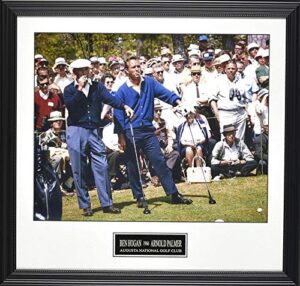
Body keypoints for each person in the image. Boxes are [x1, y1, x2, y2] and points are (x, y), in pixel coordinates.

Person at [114, 56, 193, 208]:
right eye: (133, 67)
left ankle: (173, 194)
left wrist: (179, 102)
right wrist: (121, 136)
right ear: (126, 71)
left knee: (159, 161)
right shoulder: (122, 91)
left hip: (148, 131)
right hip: (131, 131)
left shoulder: (149, 83)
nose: (137, 69)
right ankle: (139, 197)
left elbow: (166, 94)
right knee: (133, 165)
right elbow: (118, 115)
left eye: (138, 66)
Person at [63, 58, 134, 216]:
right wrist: (80, 90)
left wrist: (124, 106)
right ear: (75, 73)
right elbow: (72, 107)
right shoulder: (69, 89)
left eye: (86, 70)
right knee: (79, 169)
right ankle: (85, 205)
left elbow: (110, 99)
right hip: (76, 130)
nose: (84, 73)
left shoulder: (97, 87)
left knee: (101, 165)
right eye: (80, 71)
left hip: (93, 131)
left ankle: (107, 203)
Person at [209, 61, 248, 141]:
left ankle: (238, 153)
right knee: (226, 139)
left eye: (233, 68)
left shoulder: (241, 81)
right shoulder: (218, 81)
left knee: (240, 139)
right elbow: (212, 99)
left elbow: (245, 99)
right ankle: (226, 154)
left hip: (240, 113)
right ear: (225, 70)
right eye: (229, 68)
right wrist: (217, 114)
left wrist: (247, 113)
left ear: (236, 70)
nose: (231, 70)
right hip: (225, 113)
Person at [39, 111, 75, 196]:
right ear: (51, 123)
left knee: (77, 158)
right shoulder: (45, 135)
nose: (58, 122)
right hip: (50, 161)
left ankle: (67, 185)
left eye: (60, 120)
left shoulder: (64, 133)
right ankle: (57, 187)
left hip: (67, 159)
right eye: (56, 121)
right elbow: (41, 150)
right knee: (58, 158)